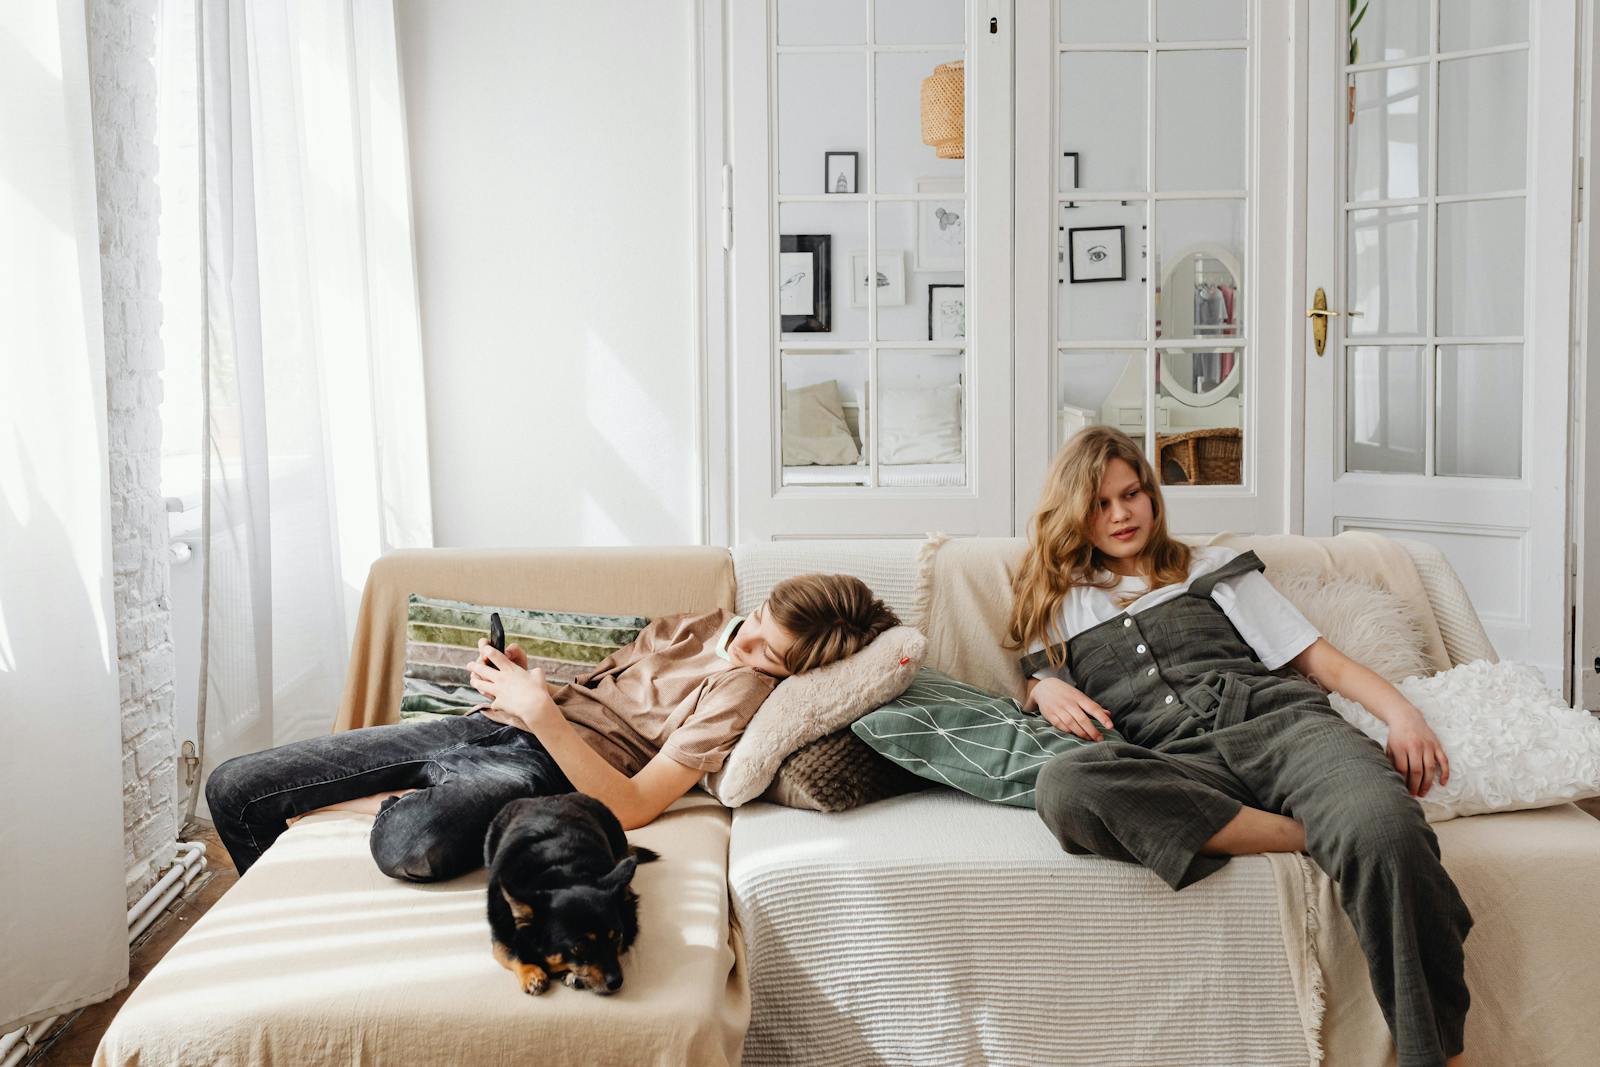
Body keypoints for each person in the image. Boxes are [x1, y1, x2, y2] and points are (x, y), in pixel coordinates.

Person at [1006, 426, 1471, 1067]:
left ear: (1152, 494)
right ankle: (1307, 834)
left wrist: (1402, 715)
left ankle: (1436, 1055)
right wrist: (1043, 687)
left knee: (1387, 832)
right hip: (1176, 760)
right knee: (1065, 787)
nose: (1120, 515)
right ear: (1074, 513)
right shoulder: (1059, 603)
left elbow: (1320, 661)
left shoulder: (1209, 569)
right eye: (1099, 504)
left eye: (1132, 494)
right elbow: (1036, 683)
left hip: (1280, 727)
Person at [207, 573, 899, 882]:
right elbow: (595, 690)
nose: (745, 643)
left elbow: (635, 804)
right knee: (234, 787)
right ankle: (261, 925)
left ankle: (375, 806)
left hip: (543, 767)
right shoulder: (703, 624)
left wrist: (540, 715)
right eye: (759, 624)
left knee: (414, 843)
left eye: (769, 655)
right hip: (489, 727)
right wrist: (522, 687)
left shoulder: (742, 692)